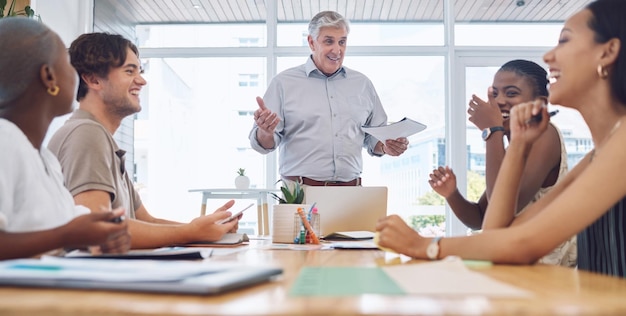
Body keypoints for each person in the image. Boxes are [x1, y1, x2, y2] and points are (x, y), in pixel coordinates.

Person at [376, 0, 626, 277]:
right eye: (496, 92)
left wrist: (425, 245)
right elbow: (498, 231)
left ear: (609, 52)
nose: (549, 56)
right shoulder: (597, 156)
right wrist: (517, 145)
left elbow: (524, 244)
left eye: (564, 41)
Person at [48, 32, 240, 249]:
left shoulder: (101, 138)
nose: (141, 80)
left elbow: (146, 222)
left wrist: (202, 229)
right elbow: (100, 231)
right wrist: (191, 232)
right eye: (129, 71)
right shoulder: (86, 134)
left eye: (140, 71)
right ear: (93, 79)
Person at [0, 18, 130, 260]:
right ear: (49, 77)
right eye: (69, 66)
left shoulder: (44, 158)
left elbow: (69, 224)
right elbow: (64, 233)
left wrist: (99, 235)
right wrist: (66, 236)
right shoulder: (4, 140)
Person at [428, 60, 576, 266]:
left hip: (544, 272)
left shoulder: (545, 135)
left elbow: (500, 214)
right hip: (516, 263)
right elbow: (481, 218)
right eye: (495, 93)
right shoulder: (513, 149)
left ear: (540, 103)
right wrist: (452, 195)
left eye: (512, 93)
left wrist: (492, 131)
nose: (499, 101)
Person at [249, 11, 409, 187]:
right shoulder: (283, 83)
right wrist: (265, 131)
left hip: (352, 193)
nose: (337, 50)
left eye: (342, 42)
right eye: (328, 41)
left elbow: (374, 139)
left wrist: (387, 146)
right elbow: (264, 145)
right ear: (311, 42)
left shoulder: (362, 84)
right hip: (301, 193)